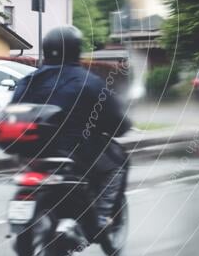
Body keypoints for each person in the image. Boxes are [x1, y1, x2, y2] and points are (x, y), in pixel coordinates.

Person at [10, 25, 130, 240]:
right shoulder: (89, 82)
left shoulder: (28, 81)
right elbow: (114, 119)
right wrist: (121, 126)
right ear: (76, 50)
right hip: (76, 151)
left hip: (32, 152)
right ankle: (102, 219)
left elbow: (15, 111)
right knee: (118, 164)